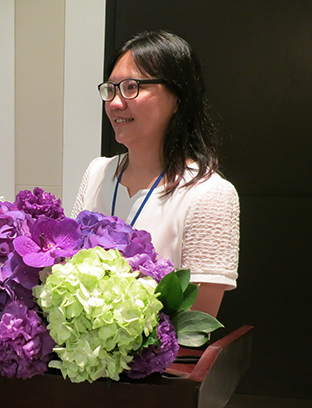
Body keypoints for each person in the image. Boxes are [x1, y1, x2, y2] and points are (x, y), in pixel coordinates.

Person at [71, 30, 239, 317]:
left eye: (132, 87)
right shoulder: (97, 172)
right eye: (111, 89)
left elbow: (196, 324)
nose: (115, 103)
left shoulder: (209, 194)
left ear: (178, 98)